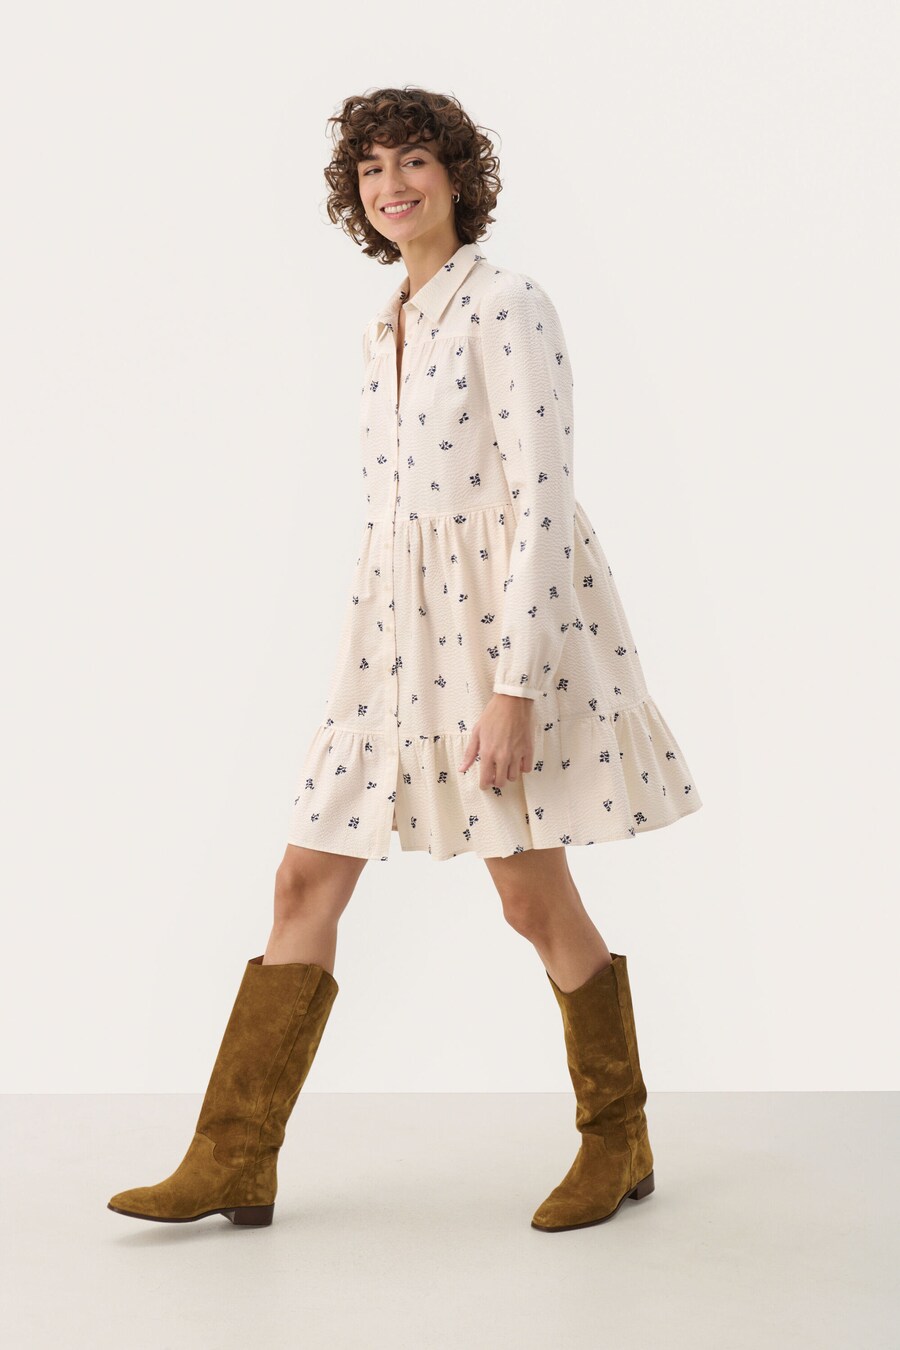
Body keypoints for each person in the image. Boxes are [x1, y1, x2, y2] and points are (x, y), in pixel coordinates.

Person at [108, 86, 702, 1233]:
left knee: (529, 899)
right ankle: (233, 1157)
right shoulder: (383, 322)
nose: (392, 184)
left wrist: (514, 686)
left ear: (456, 175)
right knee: (301, 880)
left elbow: (544, 499)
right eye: (372, 167)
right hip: (389, 643)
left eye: (414, 160)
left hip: (492, 639)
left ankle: (617, 1135)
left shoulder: (509, 304)